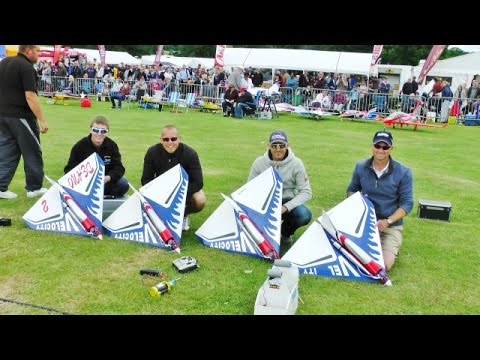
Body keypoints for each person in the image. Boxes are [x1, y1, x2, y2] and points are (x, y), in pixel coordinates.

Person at [346, 130, 413, 271]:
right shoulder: (360, 166)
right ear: (372, 147)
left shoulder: (404, 172)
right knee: (348, 255)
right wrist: (359, 208)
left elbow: (407, 204)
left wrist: (388, 221)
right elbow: (352, 190)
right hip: (363, 223)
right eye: (378, 146)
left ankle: (391, 248)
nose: (381, 150)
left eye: (385, 147)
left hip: (390, 225)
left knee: (384, 266)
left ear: (391, 149)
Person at [0, 45, 49, 199]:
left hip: (3, 115)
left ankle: (1, 187)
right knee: (32, 151)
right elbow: (30, 96)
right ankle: (34, 188)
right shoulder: (27, 67)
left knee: (7, 152)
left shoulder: (4, 62)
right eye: (37, 51)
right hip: (21, 116)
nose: (39, 54)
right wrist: (42, 120)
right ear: (28, 50)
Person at [248, 130, 312, 245]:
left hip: (286, 201)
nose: (278, 149)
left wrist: (285, 207)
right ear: (268, 146)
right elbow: (250, 188)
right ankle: (263, 232)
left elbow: (306, 192)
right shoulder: (258, 163)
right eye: (274, 145)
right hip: (264, 201)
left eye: (281, 145)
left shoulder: (297, 163)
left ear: (287, 146)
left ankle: (285, 233)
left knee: (304, 214)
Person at [141, 124, 206, 231]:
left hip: (183, 191)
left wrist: (177, 194)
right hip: (161, 190)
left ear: (179, 139)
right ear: (161, 140)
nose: (170, 143)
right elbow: (146, 180)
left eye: (173, 139)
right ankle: (159, 216)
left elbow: (198, 182)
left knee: (200, 199)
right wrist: (161, 192)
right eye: (166, 139)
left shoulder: (190, 154)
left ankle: (183, 215)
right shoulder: (152, 152)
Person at [64, 116, 129, 198]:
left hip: (104, 182)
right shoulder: (80, 146)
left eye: (103, 131)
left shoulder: (112, 146)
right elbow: (69, 169)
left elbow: (118, 167)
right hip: (84, 183)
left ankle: (98, 195)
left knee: (123, 184)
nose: (99, 134)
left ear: (107, 132)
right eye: (96, 130)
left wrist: (107, 178)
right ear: (90, 130)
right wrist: (85, 180)